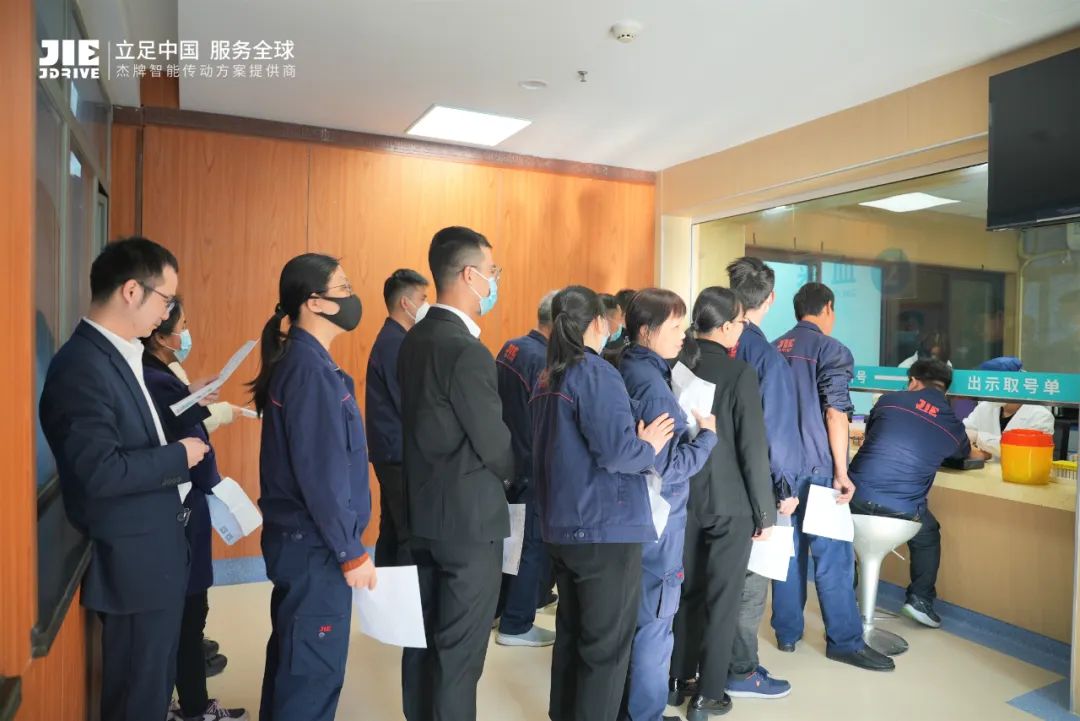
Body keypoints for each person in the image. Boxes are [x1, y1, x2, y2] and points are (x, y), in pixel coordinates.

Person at [39, 237, 211, 721]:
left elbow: (131, 434)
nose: (168, 314)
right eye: (166, 300)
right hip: (134, 563)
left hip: (153, 554)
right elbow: (100, 471)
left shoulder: (120, 354)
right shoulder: (82, 366)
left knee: (151, 689)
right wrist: (179, 456)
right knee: (137, 698)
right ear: (132, 291)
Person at [531, 285, 675, 721]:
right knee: (605, 649)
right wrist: (648, 445)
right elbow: (617, 453)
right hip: (603, 529)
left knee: (573, 636)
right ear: (598, 322)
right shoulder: (595, 373)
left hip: (563, 526)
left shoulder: (549, 376)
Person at [252, 253, 376, 721]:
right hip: (316, 548)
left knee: (295, 664)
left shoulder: (309, 363)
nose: (351, 297)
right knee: (310, 677)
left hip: (305, 545)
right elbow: (322, 476)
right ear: (315, 302)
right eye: (343, 288)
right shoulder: (310, 371)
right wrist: (350, 551)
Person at [398, 226, 515, 721]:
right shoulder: (466, 350)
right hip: (468, 525)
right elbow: (495, 444)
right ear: (470, 275)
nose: (494, 280)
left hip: (422, 512)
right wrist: (514, 472)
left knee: (423, 638)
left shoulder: (415, 339)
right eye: (492, 271)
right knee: (459, 653)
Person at [674, 257, 796, 702]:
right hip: (731, 505)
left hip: (685, 497)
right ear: (725, 326)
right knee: (723, 600)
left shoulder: (677, 368)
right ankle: (709, 696)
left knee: (686, 593)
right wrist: (766, 513)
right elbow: (752, 447)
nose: (743, 330)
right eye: (740, 323)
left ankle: (677, 682)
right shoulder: (739, 372)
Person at [771, 282, 893, 671]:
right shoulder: (831, 349)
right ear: (827, 308)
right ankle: (844, 641)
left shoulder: (772, 348)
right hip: (819, 470)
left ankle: (787, 635)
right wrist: (842, 471)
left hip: (779, 471)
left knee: (787, 552)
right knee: (833, 558)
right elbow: (835, 413)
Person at [142, 300, 248, 721]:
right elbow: (189, 442)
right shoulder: (156, 378)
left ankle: (190, 704)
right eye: (182, 326)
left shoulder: (160, 373)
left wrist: (193, 395)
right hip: (182, 509)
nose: (186, 334)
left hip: (181, 509)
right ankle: (195, 709)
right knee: (189, 616)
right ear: (160, 334)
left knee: (188, 616)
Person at [617, 288, 718, 721]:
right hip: (659, 520)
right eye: (675, 326)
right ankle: (646, 715)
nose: (683, 335)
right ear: (646, 330)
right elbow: (669, 467)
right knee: (655, 627)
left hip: (628, 515)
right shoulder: (655, 387)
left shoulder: (622, 365)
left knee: (630, 620)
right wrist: (707, 436)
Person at [849, 360, 975, 629]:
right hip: (901, 512)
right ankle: (920, 601)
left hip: (853, 500)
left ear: (914, 382)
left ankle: (846, 590)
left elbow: (874, 435)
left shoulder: (888, 401)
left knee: (843, 533)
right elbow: (964, 454)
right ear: (945, 389)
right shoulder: (953, 425)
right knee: (928, 532)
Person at [493, 291, 559, 647]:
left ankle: (501, 609)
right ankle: (516, 624)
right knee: (529, 545)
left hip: (509, 460)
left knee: (511, 542)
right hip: (531, 463)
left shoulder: (512, 347)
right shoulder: (542, 360)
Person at [366, 268, 430, 567]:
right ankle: (405, 594)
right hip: (398, 454)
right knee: (409, 534)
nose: (427, 304)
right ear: (406, 303)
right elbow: (409, 401)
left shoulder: (394, 339)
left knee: (392, 529)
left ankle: (387, 592)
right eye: (423, 298)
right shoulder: (396, 343)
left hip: (390, 452)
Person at [964, 357, 1055, 461]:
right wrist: (980, 454)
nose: (989, 390)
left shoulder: (1040, 415)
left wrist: (978, 437)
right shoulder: (985, 407)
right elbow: (964, 432)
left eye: (995, 385)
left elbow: (1024, 451)